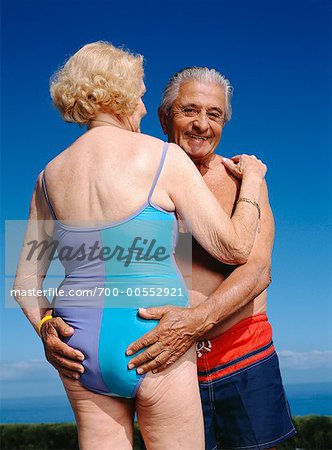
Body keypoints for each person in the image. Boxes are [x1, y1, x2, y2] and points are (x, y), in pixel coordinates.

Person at [13, 44, 266, 450]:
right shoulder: (163, 157)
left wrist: (45, 327)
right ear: (119, 92)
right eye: (142, 94)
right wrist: (252, 178)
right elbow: (234, 248)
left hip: (77, 345)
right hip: (149, 339)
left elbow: (24, 280)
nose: (146, 108)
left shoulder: (48, 176)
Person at [124, 68, 297, 450]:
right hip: (169, 367)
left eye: (214, 114)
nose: (202, 124)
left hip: (245, 358)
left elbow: (257, 271)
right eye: (190, 110)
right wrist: (50, 319)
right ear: (164, 116)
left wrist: (194, 322)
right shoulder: (139, 178)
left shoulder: (242, 180)